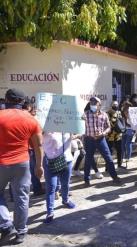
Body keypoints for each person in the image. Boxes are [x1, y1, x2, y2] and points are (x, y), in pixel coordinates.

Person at [0, 88, 43, 244]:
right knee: (22, 198)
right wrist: (39, 166)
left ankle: (5, 224)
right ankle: (21, 232)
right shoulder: (31, 119)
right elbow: (38, 146)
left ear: (6, 99)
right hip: (22, 164)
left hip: (1, 164)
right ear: (22, 101)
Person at [83, 97, 121, 186]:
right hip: (89, 139)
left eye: (95, 103)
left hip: (101, 139)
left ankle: (115, 177)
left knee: (108, 158)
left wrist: (103, 133)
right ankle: (86, 180)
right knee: (88, 160)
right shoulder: (85, 115)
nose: (93, 104)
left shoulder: (104, 115)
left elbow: (108, 127)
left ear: (99, 105)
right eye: (91, 103)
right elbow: (79, 125)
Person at [42, 132, 76, 223]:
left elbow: (78, 129)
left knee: (65, 183)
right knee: (51, 187)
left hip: (67, 160)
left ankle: (65, 200)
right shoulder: (44, 126)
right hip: (50, 161)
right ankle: (50, 212)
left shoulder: (68, 124)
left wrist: (80, 122)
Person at [107, 101, 124, 169]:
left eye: (116, 104)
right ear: (111, 105)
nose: (116, 106)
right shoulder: (108, 112)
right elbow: (108, 121)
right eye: (114, 104)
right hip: (111, 134)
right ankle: (108, 167)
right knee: (109, 150)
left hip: (118, 134)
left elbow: (121, 120)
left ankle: (119, 164)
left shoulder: (119, 112)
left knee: (119, 150)